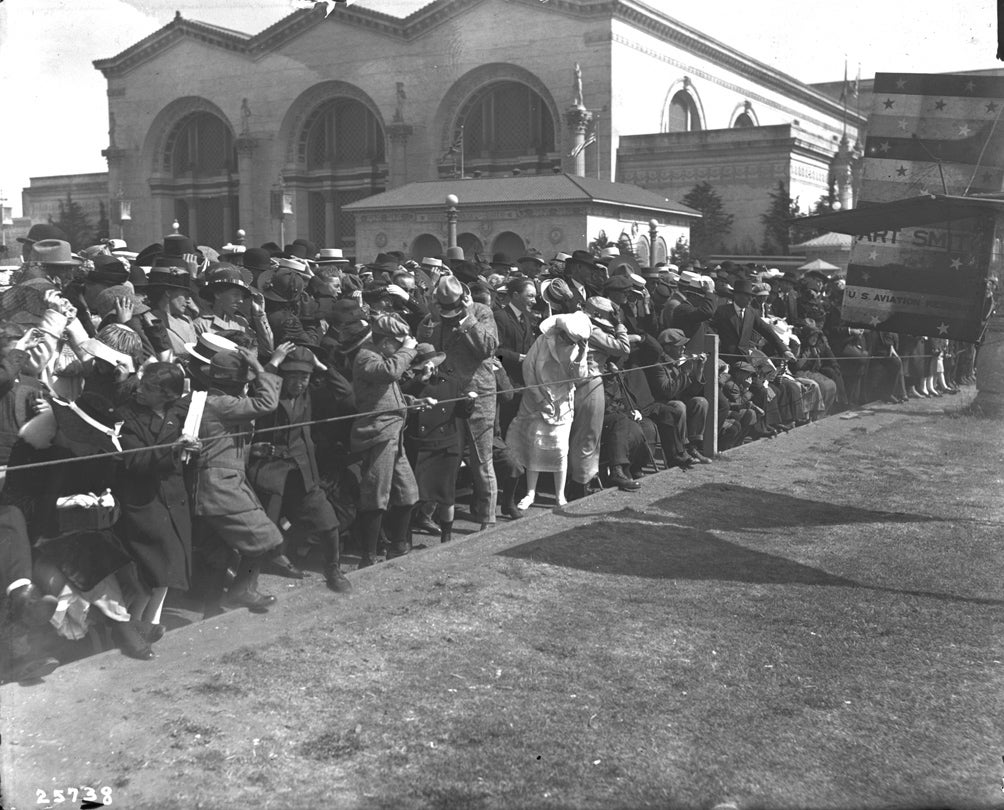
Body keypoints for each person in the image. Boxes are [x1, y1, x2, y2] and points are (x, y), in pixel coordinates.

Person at [191, 344, 287, 614]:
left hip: (224, 479)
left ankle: (210, 606)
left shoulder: (216, 401)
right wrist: (261, 368)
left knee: (218, 550)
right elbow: (267, 402)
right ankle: (241, 591)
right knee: (265, 537)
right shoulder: (220, 402)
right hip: (219, 484)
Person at [249, 346, 352, 593]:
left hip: (303, 471)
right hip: (269, 471)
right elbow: (256, 387)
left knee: (328, 522)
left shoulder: (310, 395)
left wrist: (322, 366)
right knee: (261, 530)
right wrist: (273, 362)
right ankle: (248, 585)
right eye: (293, 376)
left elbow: (346, 394)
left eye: (304, 377)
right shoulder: (270, 392)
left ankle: (333, 569)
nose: (299, 382)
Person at [115, 363, 200, 637]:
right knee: (155, 568)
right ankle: (132, 625)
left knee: (166, 567)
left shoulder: (180, 414)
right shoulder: (126, 417)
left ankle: (149, 623)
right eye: (141, 383)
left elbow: (187, 456)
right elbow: (135, 461)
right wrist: (173, 450)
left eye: (149, 388)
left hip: (174, 500)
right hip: (145, 502)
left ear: (168, 395)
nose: (139, 389)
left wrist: (194, 450)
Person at [419, 277, 499, 530]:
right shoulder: (436, 314)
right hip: (445, 393)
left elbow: (487, 347)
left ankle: (487, 517)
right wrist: (431, 320)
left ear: (464, 299)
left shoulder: (481, 312)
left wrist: (466, 319)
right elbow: (425, 343)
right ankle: (427, 514)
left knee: (481, 459)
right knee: (441, 455)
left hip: (478, 395)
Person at [350, 313, 429, 567]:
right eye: (397, 343)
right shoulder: (366, 357)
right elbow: (389, 373)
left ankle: (398, 545)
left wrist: (411, 402)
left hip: (395, 432)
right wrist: (407, 351)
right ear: (384, 341)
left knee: (408, 490)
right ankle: (369, 555)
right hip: (378, 433)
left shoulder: (382, 355)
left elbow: (386, 393)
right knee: (376, 493)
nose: (400, 347)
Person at [507, 312, 592, 510]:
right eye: (564, 337)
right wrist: (540, 399)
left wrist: (580, 356)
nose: (566, 342)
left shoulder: (579, 348)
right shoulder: (542, 341)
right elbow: (528, 370)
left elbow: (579, 378)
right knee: (534, 447)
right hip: (536, 401)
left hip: (562, 404)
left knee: (560, 449)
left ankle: (560, 495)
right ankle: (530, 493)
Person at [493, 277, 537, 435]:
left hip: (523, 383)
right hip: (507, 384)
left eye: (535, 297)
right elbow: (495, 353)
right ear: (516, 295)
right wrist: (518, 357)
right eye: (530, 296)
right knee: (506, 427)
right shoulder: (500, 317)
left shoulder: (526, 318)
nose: (534, 301)